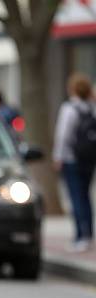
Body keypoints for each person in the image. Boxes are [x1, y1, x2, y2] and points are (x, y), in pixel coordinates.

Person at [53, 73, 96, 252]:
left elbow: (63, 135)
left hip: (72, 158)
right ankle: (89, 234)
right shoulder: (92, 108)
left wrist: (58, 156)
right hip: (89, 158)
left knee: (76, 197)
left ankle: (80, 236)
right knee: (86, 196)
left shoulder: (69, 108)